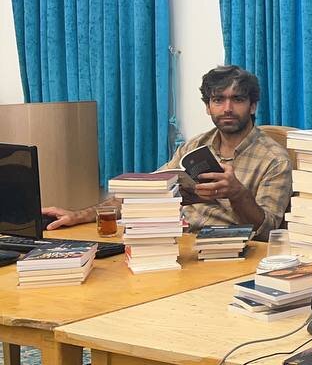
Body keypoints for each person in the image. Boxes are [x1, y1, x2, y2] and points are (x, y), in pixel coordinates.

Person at [42, 65, 292, 240]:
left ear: (252, 106)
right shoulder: (195, 147)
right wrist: (78, 215)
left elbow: (269, 232)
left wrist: (238, 194)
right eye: (218, 100)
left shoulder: (274, 159)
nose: (227, 108)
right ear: (208, 107)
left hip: (232, 250)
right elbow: (146, 192)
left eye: (237, 99)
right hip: (179, 243)